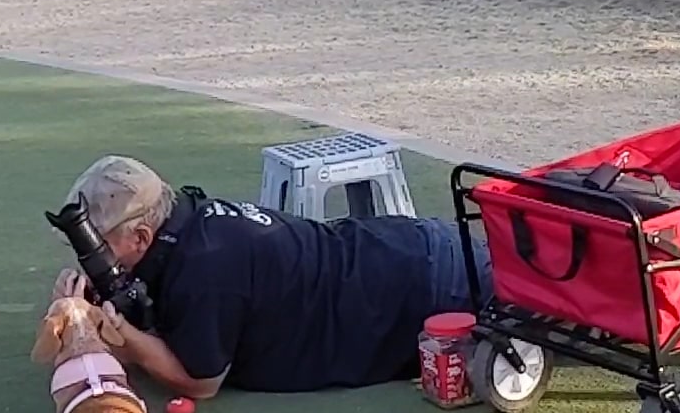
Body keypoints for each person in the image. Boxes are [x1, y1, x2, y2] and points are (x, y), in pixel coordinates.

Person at [51, 156, 493, 399]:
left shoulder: (205, 267)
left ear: (143, 235)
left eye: (97, 244)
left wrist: (119, 333)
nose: (89, 257)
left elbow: (199, 382)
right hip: (410, 249)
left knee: (553, 309)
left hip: (431, 287)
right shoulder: (190, 221)